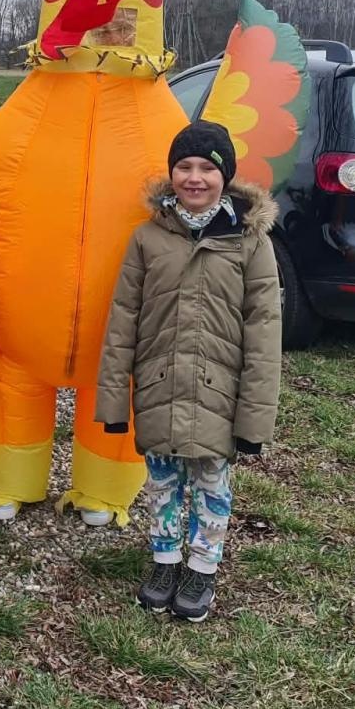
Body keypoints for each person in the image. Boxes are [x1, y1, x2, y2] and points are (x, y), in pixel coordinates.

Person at [95, 120, 282, 620]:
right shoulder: (148, 238)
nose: (195, 178)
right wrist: (113, 400)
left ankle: (202, 567)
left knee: (211, 483)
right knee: (161, 480)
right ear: (171, 172)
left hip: (220, 391)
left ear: (226, 176)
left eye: (207, 168)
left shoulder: (250, 243)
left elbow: (264, 331)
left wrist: (254, 421)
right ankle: (164, 559)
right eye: (184, 166)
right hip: (159, 386)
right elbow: (122, 321)